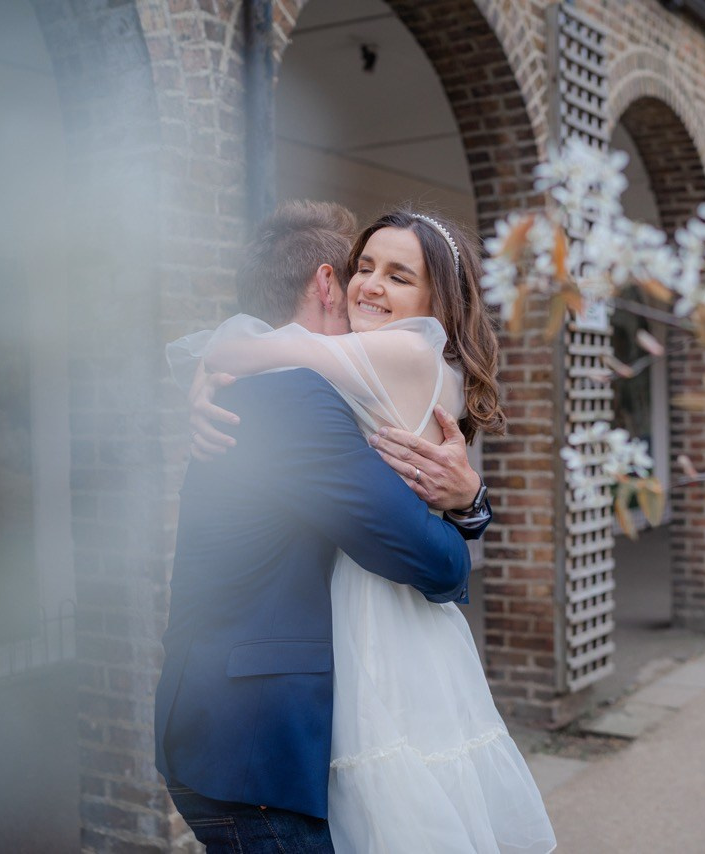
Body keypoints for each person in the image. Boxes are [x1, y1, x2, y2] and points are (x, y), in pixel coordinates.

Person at [180, 208, 556, 853]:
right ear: (334, 280)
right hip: (355, 623)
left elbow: (435, 558)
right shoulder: (323, 382)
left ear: (438, 301)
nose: (372, 284)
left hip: (378, 603)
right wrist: (471, 510)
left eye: (399, 275)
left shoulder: (400, 351)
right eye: (365, 267)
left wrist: (207, 371)